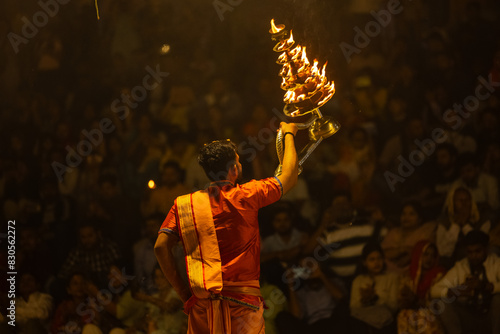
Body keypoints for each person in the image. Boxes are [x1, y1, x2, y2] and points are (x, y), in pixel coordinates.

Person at [154, 122, 299, 334]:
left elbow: (160, 247)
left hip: (202, 306)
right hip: (243, 305)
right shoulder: (247, 194)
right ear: (233, 168)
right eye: (239, 161)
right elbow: (290, 176)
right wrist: (289, 133)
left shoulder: (184, 204)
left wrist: (184, 293)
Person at [430, 230, 500, 334]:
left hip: (490, 318)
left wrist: (485, 286)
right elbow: (434, 290)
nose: (473, 256)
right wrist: (455, 291)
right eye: (470, 252)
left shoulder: (495, 263)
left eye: (477, 251)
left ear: (486, 249)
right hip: (469, 317)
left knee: (498, 299)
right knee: (442, 302)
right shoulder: (461, 267)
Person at [397, 241, 446, 334]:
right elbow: (401, 300)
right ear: (418, 254)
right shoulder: (407, 275)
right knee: (403, 314)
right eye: (426, 254)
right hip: (412, 311)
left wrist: (416, 300)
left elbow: (437, 303)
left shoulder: (439, 275)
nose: (429, 259)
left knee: (423, 314)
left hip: (432, 313)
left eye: (433, 256)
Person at [350, 242, 399, 334]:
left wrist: (376, 297)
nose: (376, 262)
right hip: (363, 323)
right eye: (372, 260)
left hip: (385, 323)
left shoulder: (391, 278)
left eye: (379, 258)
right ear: (364, 262)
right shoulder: (358, 280)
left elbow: (394, 307)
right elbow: (353, 307)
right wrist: (364, 299)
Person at [381, 202, 436, 273]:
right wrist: (403, 249)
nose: (406, 217)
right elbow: (382, 253)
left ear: (420, 219)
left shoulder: (425, 232)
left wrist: (410, 255)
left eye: (411, 214)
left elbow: (426, 253)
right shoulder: (394, 232)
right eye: (404, 214)